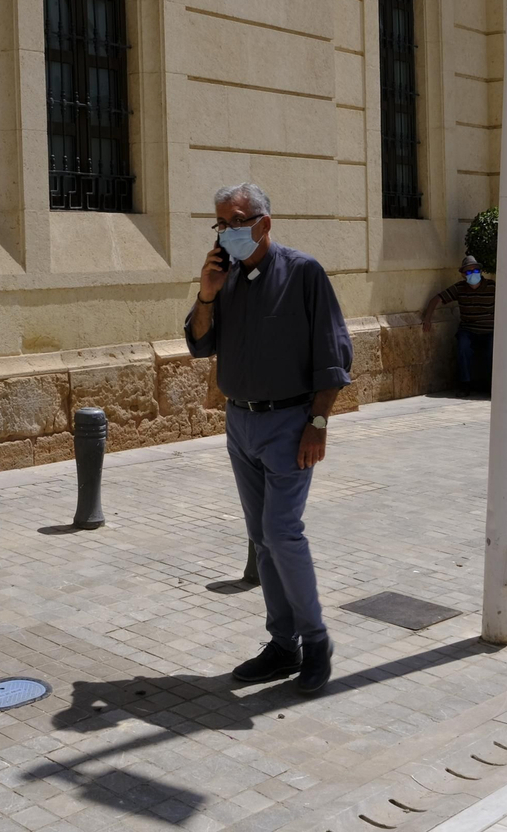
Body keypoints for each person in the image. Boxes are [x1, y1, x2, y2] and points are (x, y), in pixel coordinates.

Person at [185, 182, 353, 694]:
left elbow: (333, 353)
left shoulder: (303, 272)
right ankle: (283, 646)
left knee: (282, 532)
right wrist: (205, 295)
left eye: (235, 221)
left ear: (263, 222)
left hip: (289, 423)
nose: (226, 232)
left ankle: (316, 641)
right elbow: (198, 344)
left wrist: (318, 423)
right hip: (240, 424)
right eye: (220, 224)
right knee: (260, 538)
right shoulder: (225, 279)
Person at [422, 256, 496, 390]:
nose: (472, 274)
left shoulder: (492, 287)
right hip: (469, 329)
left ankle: (491, 384)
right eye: (468, 272)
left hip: (490, 330)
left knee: (492, 351)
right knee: (463, 347)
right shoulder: (459, 288)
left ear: (480, 271)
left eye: (475, 271)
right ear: (463, 275)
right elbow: (437, 299)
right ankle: (464, 384)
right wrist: (428, 318)